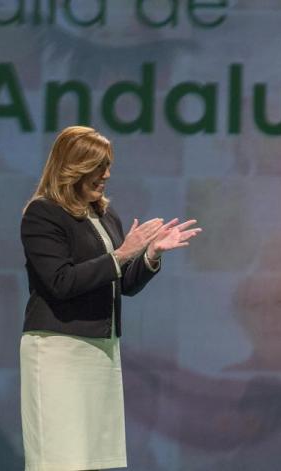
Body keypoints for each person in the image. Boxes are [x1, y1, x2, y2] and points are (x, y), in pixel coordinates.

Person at [19, 126, 201, 470]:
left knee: (91, 459)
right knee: (59, 459)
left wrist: (149, 256)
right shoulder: (43, 214)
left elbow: (124, 283)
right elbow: (60, 282)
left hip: (101, 350)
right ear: (72, 166)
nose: (106, 174)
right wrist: (120, 256)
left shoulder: (104, 215)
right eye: (98, 166)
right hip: (59, 349)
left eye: (108, 165)